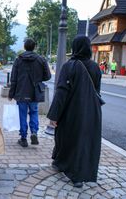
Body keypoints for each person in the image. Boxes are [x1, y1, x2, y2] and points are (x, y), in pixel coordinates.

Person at [47, 36, 102, 188]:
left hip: (72, 110)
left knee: (66, 137)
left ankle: (76, 175)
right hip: (92, 111)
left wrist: (54, 115)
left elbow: (61, 92)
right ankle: (61, 163)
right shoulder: (95, 67)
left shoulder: (69, 66)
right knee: (84, 141)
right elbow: (97, 91)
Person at [8, 38, 51, 147]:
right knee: (34, 112)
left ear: (24, 47)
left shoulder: (18, 60)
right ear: (34, 47)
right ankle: (34, 132)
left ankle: (23, 138)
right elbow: (48, 76)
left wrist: (11, 94)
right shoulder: (41, 59)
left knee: (22, 114)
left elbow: (13, 79)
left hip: (21, 92)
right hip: (35, 92)